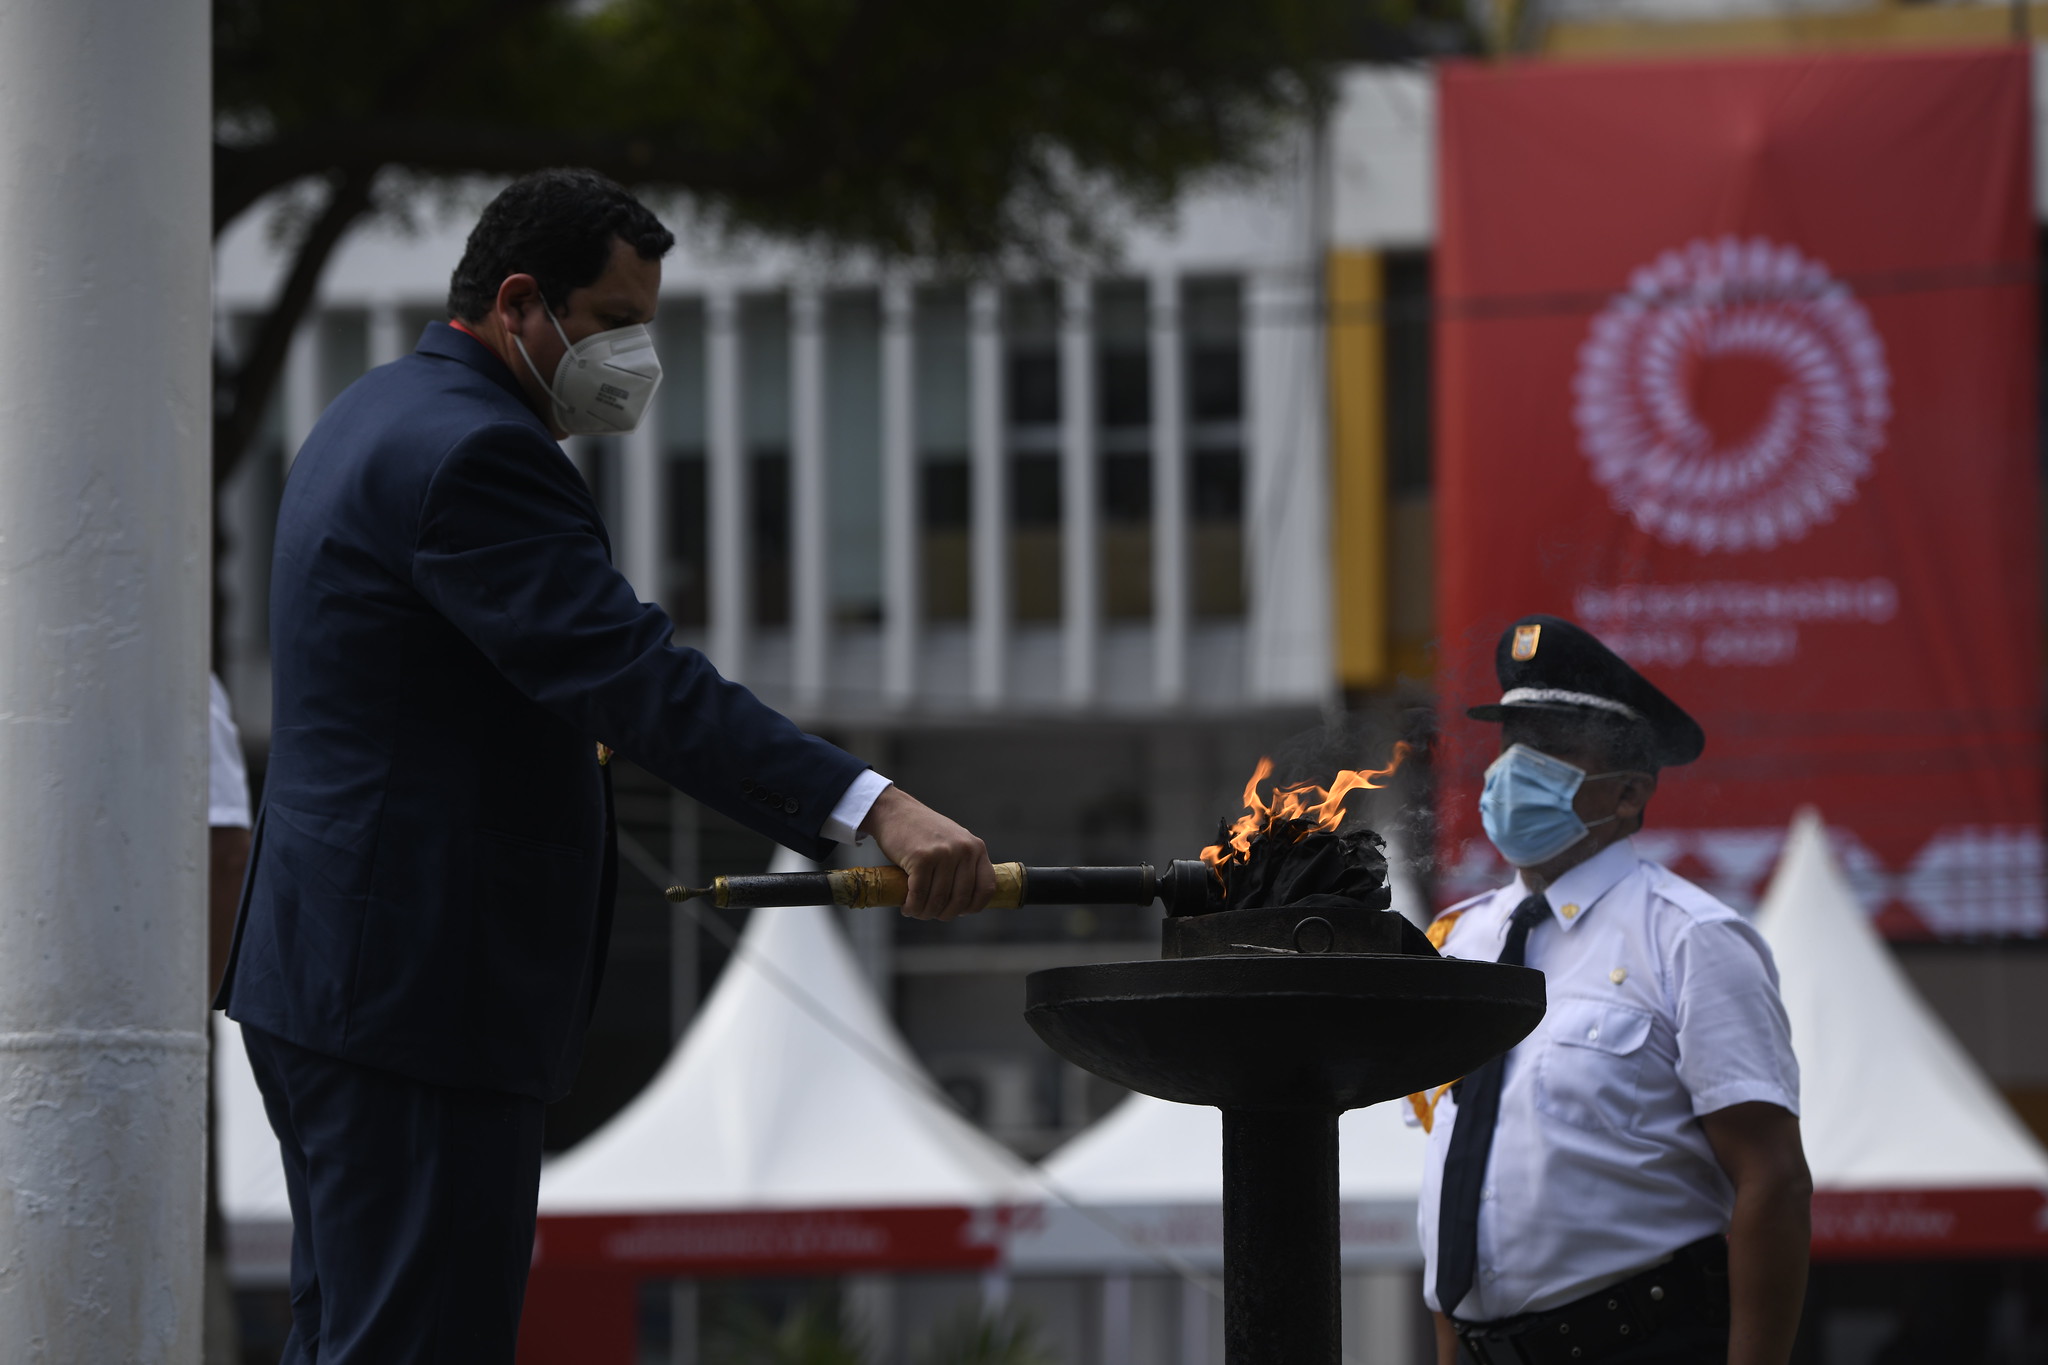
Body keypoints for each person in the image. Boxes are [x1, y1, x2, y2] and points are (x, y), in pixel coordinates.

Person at [214, 168, 996, 1364]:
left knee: (354, 1335)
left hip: (340, 980)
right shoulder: (477, 452)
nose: (637, 356)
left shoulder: (373, 410)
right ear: (521, 305)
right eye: (617, 322)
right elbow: (635, 682)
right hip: (418, 993)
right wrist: (873, 805)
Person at [1416, 615, 1811, 1365]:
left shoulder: (1690, 938)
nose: (1513, 769)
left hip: (1639, 1342)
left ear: (1628, 794)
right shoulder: (1457, 941)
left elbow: (1774, 1178)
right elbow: (1451, 1177)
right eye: (1512, 742)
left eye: (1553, 746)